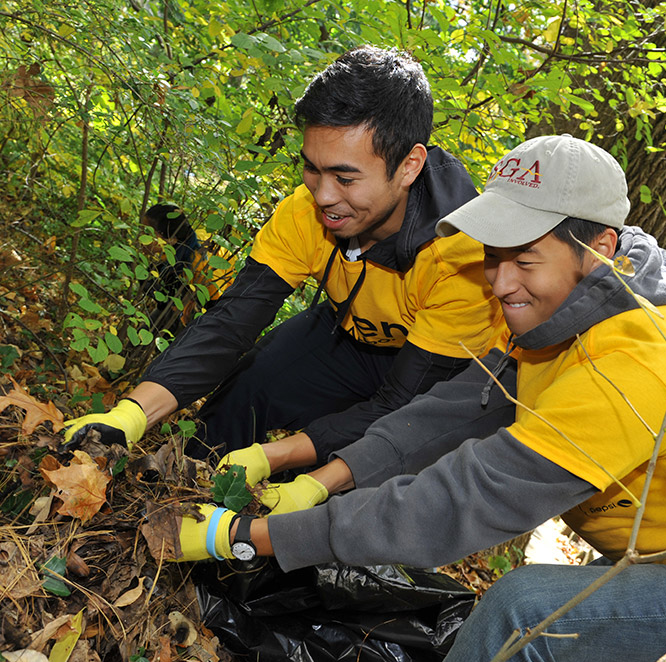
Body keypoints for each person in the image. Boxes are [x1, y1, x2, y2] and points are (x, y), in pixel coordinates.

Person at [170, 134, 666, 662]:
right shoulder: (571, 309)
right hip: (660, 555)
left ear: (600, 246)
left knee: (523, 619)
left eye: (524, 260)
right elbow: (453, 413)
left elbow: (462, 500)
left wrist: (247, 536)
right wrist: (320, 476)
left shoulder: (632, 362)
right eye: (494, 258)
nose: (500, 284)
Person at [63, 47, 507, 503]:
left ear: (409, 165)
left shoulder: (464, 257)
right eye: (312, 169)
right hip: (348, 336)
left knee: (355, 479)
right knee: (248, 386)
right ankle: (181, 505)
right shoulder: (304, 213)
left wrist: (273, 457)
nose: (324, 196)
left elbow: (402, 406)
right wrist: (130, 415)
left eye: (345, 178)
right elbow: (229, 323)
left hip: (434, 375)